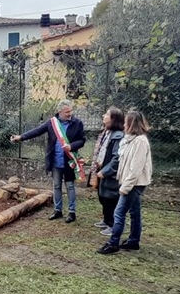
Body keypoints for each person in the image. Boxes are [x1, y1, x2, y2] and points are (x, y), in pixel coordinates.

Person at [11, 99, 86, 223]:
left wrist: (71, 146)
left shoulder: (77, 123)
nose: (70, 114)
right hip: (56, 161)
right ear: (59, 111)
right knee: (56, 186)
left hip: (69, 161)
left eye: (70, 111)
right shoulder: (52, 122)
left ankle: (72, 213)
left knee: (70, 186)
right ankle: (58, 210)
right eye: (67, 112)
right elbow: (37, 131)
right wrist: (21, 137)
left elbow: (82, 140)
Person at [97, 110, 152, 254]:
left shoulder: (140, 142)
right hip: (128, 182)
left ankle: (113, 243)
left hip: (134, 184)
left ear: (132, 123)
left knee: (119, 212)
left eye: (126, 121)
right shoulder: (130, 139)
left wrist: (125, 187)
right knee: (135, 213)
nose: (124, 124)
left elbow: (135, 169)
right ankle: (133, 241)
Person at [89, 107, 125, 236]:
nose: (104, 116)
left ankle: (112, 224)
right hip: (101, 168)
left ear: (113, 119)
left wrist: (106, 171)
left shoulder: (118, 136)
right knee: (102, 196)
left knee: (110, 198)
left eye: (107, 114)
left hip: (110, 173)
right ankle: (106, 220)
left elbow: (117, 158)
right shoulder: (106, 132)